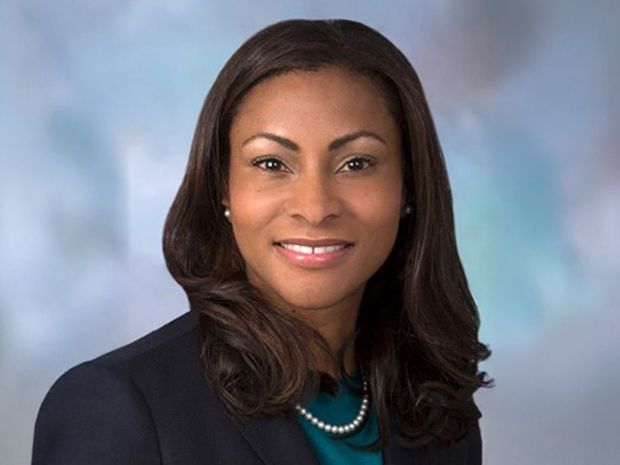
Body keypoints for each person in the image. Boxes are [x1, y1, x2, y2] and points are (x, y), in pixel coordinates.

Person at [32, 19, 492, 465]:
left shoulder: (436, 411)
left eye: (356, 163)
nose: (315, 208)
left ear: (409, 186)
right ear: (223, 187)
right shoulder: (116, 407)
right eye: (272, 164)